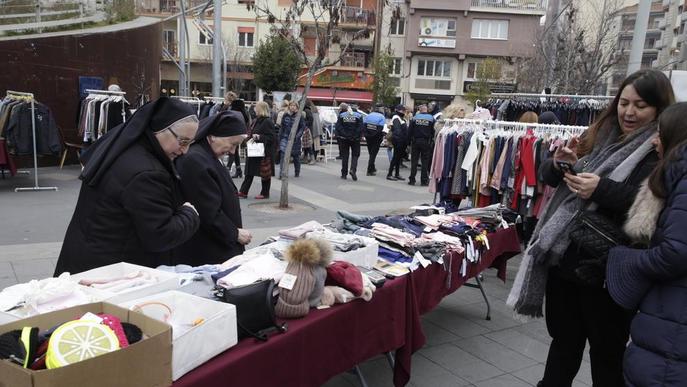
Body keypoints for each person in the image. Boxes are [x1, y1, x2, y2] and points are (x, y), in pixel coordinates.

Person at [506, 69, 675, 387]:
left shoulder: (661, 149)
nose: (629, 112)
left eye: (640, 105)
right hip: (564, 259)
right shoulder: (600, 133)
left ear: (658, 108)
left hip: (607, 272)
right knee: (563, 344)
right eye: (624, 102)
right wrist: (559, 162)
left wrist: (600, 189)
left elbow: (654, 205)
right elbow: (549, 176)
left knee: (606, 355)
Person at [55, 97, 201, 275]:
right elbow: (161, 235)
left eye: (189, 144)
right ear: (160, 129)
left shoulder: (124, 148)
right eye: (183, 141)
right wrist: (189, 214)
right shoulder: (147, 173)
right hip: (109, 272)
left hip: (87, 257)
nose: (185, 150)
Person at [605, 102, 687, 387]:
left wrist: (625, 260)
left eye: (661, 134)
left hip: (672, 327)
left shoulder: (683, 178)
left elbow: (675, 252)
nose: (654, 141)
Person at [175, 111, 252, 265]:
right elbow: (207, 211)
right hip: (210, 251)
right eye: (233, 144)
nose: (232, 151)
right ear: (213, 137)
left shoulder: (206, 155)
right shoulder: (196, 160)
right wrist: (235, 233)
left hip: (218, 244)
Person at [239, 101, 276, 199]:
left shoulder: (267, 121)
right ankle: (243, 191)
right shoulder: (256, 120)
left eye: (256, 107)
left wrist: (260, 137)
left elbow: (272, 137)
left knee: (265, 173)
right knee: (249, 171)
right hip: (254, 149)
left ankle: (265, 193)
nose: (255, 109)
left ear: (261, 109)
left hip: (264, 151)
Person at [407, 104, 435, 186]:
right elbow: (433, 131)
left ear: (420, 110)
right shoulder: (431, 118)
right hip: (426, 142)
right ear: (426, 110)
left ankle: (412, 180)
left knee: (414, 162)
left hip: (416, 141)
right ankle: (424, 181)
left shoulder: (415, 118)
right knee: (425, 162)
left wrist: (408, 142)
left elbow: (410, 131)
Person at [335, 103, 363, 181]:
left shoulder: (342, 115)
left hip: (344, 138)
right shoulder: (359, 115)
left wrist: (345, 134)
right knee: (355, 155)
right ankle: (353, 170)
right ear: (356, 107)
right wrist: (354, 135)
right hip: (355, 139)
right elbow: (360, 127)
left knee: (345, 156)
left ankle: (344, 174)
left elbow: (338, 126)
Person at [279, 100, 305, 178]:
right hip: (285, 138)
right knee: (283, 156)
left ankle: (297, 171)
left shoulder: (299, 116)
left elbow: (302, 127)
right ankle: (282, 173)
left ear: (297, 107)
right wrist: (280, 137)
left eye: (294, 106)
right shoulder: (285, 115)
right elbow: (282, 126)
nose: (292, 107)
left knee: (296, 156)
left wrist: (297, 136)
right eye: (291, 105)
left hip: (294, 139)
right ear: (289, 106)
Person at [230, 99, 250, 179]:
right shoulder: (244, 114)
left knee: (233, 151)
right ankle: (239, 170)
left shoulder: (236, 114)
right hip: (242, 134)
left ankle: (230, 169)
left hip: (235, 134)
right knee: (235, 152)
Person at [363, 104, 386, 176]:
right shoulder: (382, 117)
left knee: (371, 153)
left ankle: (372, 167)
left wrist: (367, 135)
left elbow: (364, 126)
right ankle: (369, 170)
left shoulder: (369, 115)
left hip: (368, 137)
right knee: (373, 154)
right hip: (376, 138)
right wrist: (374, 135)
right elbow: (380, 129)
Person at [387, 105, 408, 181]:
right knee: (395, 158)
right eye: (402, 110)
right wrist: (400, 140)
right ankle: (389, 174)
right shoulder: (396, 117)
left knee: (398, 158)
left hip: (400, 141)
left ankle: (397, 174)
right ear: (398, 110)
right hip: (398, 141)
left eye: (404, 110)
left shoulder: (400, 118)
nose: (403, 112)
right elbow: (397, 131)